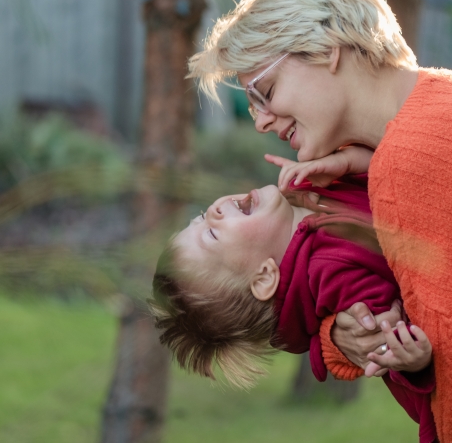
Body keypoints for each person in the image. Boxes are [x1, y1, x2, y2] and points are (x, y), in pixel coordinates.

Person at [186, 0, 452, 442]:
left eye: (266, 92)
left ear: (325, 51)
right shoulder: (446, 96)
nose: (260, 120)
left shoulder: (407, 164)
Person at [150, 175, 437, 442]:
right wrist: (411, 362)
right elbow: (390, 336)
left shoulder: (304, 193)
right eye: (212, 234)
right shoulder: (331, 270)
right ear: (264, 277)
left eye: (199, 217)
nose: (213, 210)